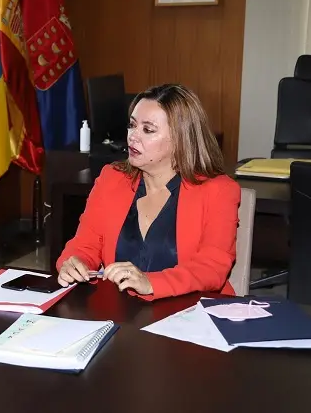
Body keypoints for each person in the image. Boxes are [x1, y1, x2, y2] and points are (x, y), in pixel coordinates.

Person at [56, 83, 240, 301]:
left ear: (181, 139)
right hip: (121, 312)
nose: (133, 136)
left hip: (192, 316)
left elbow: (212, 267)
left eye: (148, 130)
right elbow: (85, 245)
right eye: (132, 126)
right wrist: (75, 262)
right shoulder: (112, 179)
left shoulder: (219, 191)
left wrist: (151, 282)